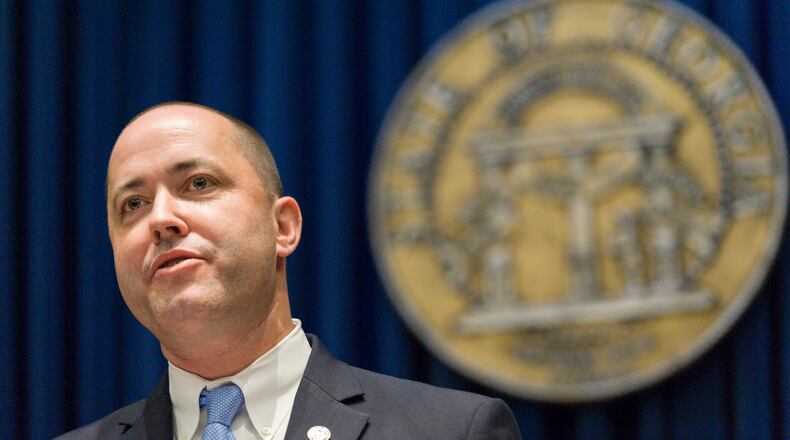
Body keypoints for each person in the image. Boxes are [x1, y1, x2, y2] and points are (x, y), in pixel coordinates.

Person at [57, 102, 522, 440]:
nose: (160, 219)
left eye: (198, 183)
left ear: (282, 227)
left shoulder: (450, 430)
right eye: (132, 204)